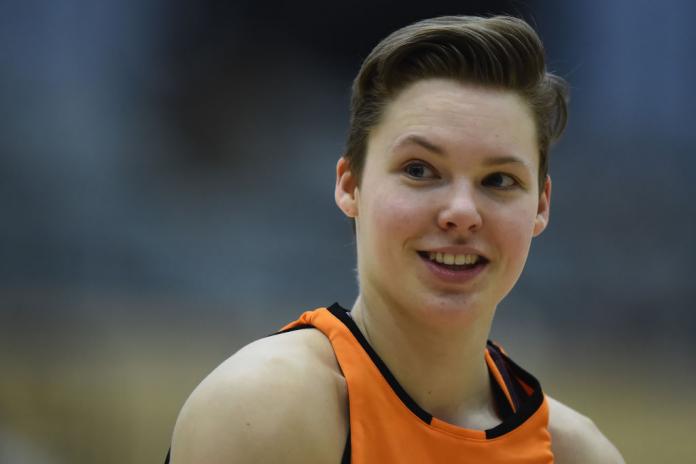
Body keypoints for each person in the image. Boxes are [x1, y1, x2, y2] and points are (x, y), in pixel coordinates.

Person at [166, 15, 625, 463]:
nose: (462, 213)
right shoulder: (266, 407)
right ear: (350, 185)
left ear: (541, 206)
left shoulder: (577, 452)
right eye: (419, 170)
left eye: (499, 180)